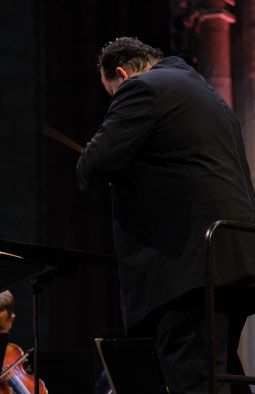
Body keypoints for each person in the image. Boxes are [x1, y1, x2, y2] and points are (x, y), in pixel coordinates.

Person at [77, 37, 255, 393]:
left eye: (112, 95)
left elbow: (91, 166)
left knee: (194, 380)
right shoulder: (207, 95)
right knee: (223, 375)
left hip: (187, 267)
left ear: (122, 74)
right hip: (236, 256)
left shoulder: (141, 88)